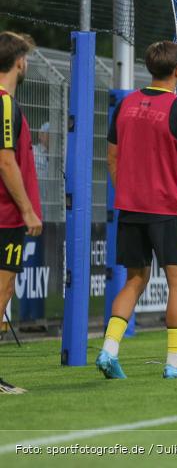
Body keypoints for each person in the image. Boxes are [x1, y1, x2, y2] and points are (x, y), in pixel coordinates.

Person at [96, 41, 177, 380]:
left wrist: (129, 192)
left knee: (134, 280)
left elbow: (112, 158)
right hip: (167, 210)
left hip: (130, 208)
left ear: (150, 68)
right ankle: (175, 364)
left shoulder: (125, 105)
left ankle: (108, 350)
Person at [0, 32, 43, 394]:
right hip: (5, 215)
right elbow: (6, 160)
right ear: (19, 63)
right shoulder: (4, 103)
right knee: (2, 290)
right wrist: (27, 210)